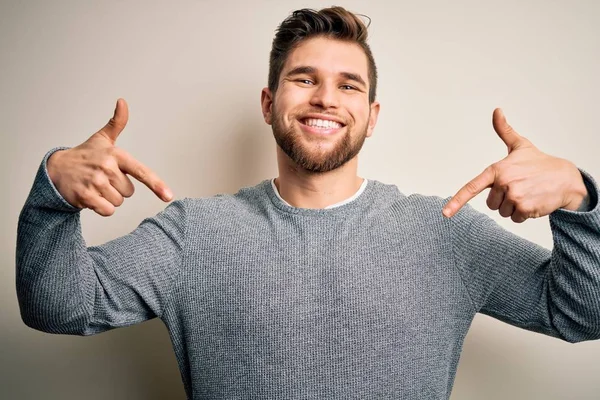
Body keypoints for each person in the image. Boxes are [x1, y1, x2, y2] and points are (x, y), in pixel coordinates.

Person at [16, 6, 600, 400]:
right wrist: (51, 197)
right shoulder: (196, 233)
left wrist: (578, 200)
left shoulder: (442, 231)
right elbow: (62, 308)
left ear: (371, 117)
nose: (326, 97)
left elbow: (581, 313)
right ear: (268, 103)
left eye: (349, 84)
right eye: (304, 79)